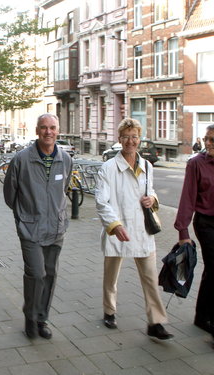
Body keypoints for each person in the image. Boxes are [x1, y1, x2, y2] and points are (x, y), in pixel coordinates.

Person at [95, 118, 173, 340]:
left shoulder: (147, 165)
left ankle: (155, 322)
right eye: (126, 136)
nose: (130, 141)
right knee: (111, 276)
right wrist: (114, 225)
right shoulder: (108, 168)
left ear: (139, 139)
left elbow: (151, 191)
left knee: (150, 277)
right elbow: (102, 201)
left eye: (134, 136)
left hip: (141, 230)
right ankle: (109, 311)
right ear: (119, 139)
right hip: (118, 230)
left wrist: (153, 199)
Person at [3, 114, 72, 339]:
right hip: (30, 228)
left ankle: (42, 318)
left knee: (50, 273)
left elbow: (65, 188)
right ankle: (30, 317)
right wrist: (24, 216)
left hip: (56, 227)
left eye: (52, 128)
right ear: (37, 130)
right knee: (36, 273)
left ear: (58, 131)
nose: (48, 132)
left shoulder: (65, 159)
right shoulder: (22, 159)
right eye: (44, 128)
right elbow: (9, 194)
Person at [175, 124, 214, 340]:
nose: (208, 144)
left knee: (211, 270)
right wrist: (183, 231)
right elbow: (187, 199)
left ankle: (202, 316)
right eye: (206, 139)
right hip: (206, 223)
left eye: (212, 140)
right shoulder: (196, 164)